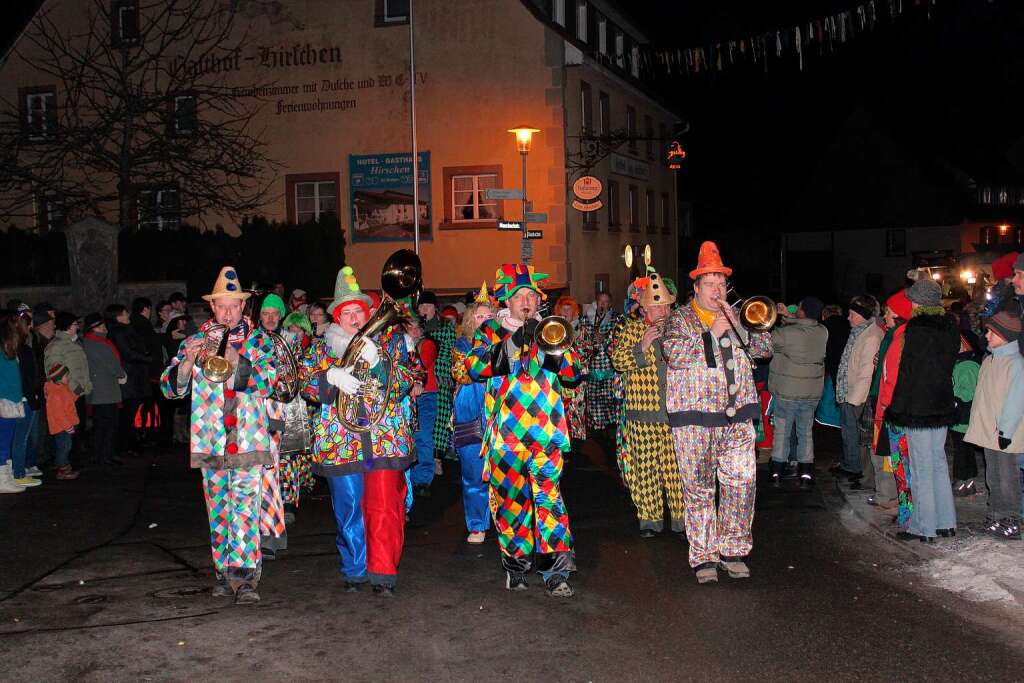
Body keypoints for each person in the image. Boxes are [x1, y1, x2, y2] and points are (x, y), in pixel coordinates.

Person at [160, 266, 278, 604]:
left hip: (248, 439)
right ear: (212, 308)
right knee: (219, 512)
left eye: (233, 306)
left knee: (244, 509)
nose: (227, 313)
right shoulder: (194, 341)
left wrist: (234, 356)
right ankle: (224, 574)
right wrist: (186, 365)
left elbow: (270, 384)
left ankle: (245, 580)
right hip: (210, 439)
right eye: (221, 307)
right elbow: (170, 390)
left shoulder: (260, 341)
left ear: (243, 307)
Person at [466, 263, 582, 597]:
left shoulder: (550, 330)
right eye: (520, 296)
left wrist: (550, 346)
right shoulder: (490, 330)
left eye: (531, 295)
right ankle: (516, 569)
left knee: (549, 503)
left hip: (546, 435)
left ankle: (556, 573)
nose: (526, 301)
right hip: (506, 437)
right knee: (512, 504)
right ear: (508, 301)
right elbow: (474, 368)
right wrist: (515, 341)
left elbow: (573, 375)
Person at [301, 265, 416, 597]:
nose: (353, 319)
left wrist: (380, 363)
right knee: (348, 508)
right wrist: (329, 379)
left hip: (384, 442)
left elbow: (407, 381)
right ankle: (355, 570)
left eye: (358, 312)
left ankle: (383, 573)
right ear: (337, 318)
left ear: (368, 315)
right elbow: (304, 385)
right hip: (341, 444)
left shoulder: (391, 342)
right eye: (346, 313)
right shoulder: (322, 348)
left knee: (385, 509)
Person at [663, 241, 772, 584]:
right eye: (710, 284)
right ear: (695, 288)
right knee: (698, 489)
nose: (717, 290)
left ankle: (734, 550)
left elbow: (765, 349)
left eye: (721, 283)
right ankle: (704, 556)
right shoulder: (679, 318)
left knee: (742, 484)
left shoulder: (738, 315)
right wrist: (710, 335)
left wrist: (741, 328)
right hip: (693, 417)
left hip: (738, 414)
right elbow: (675, 355)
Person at [610, 268, 686, 537]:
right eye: (656, 308)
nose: (662, 313)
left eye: (665, 307)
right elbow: (617, 362)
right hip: (642, 415)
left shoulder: (680, 330)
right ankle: (650, 520)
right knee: (645, 470)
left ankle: (681, 519)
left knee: (676, 469)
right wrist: (641, 347)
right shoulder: (631, 330)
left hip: (675, 414)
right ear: (644, 309)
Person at [884, 279, 959, 542]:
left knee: (920, 466)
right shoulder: (950, 327)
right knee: (938, 462)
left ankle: (923, 527)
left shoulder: (915, 330)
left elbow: (908, 374)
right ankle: (945, 521)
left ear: (920, 302)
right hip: (941, 402)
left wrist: (897, 408)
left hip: (918, 406)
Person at [965, 311, 1024, 539]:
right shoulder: (990, 360)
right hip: (989, 431)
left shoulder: (1015, 364)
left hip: (1005, 432)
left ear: (1005, 336)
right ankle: (995, 513)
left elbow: (1016, 400)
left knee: (1007, 477)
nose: (986, 336)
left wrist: (1006, 431)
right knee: (993, 475)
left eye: (991, 332)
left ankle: (1010, 517)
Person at [767, 296, 828, 489]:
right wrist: (789, 315)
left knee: (782, 432)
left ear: (801, 311)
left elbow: (766, 342)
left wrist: (779, 316)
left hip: (787, 392)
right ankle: (806, 473)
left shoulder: (786, 334)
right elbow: (805, 324)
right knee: (805, 433)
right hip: (812, 393)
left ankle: (776, 472)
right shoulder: (822, 331)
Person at [451, 288, 494, 544]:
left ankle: (505, 520)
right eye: (480, 317)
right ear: (470, 320)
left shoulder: (505, 342)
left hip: (501, 412)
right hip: (471, 411)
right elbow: (462, 374)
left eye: (490, 316)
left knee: (504, 472)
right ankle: (477, 524)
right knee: (474, 472)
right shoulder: (462, 345)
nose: (486, 320)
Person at [833, 295, 884, 486]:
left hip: (857, 395)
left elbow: (866, 371)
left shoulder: (871, 336)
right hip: (850, 391)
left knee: (855, 435)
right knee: (849, 433)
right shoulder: (859, 332)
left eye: (852, 314)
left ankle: (855, 469)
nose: (848, 317)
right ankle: (851, 466)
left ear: (862, 315)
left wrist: (854, 399)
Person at [256, 294, 289, 560]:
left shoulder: (286, 341)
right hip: (248, 415)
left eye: (274, 314)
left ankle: (271, 535)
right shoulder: (252, 340)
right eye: (265, 313)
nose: (269, 318)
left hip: (274, 414)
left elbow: (291, 383)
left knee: (268, 474)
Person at [43, 312, 89, 480]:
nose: (78, 326)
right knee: (66, 435)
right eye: (76, 323)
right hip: (68, 394)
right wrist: (74, 388)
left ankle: (71, 462)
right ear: (69, 326)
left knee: (76, 430)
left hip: (75, 394)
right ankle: (65, 464)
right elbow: (53, 370)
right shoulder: (57, 346)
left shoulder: (72, 343)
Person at [418, 290, 457, 476]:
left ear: (435, 308)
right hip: (421, 381)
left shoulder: (446, 326)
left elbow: (448, 352)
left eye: (428, 305)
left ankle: (437, 459)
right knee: (423, 422)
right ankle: (424, 459)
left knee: (440, 420)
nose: (424, 308)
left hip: (440, 378)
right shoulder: (416, 327)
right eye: (421, 305)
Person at [578, 290, 622, 452]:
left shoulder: (616, 319)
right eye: (600, 301)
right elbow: (581, 339)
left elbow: (619, 341)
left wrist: (605, 340)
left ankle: (610, 433)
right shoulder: (586, 319)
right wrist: (591, 341)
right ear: (596, 302)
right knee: (594, 399)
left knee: (608, 399)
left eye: (606, 302)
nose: (603, 305)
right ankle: (596, 433)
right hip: (593, 365)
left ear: (610, 304)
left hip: (608, 366)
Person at [81, 313, 126, 468]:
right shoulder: (101, 344)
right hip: (106, 391)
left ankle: (100, 454)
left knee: (100, 426)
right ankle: (105, 455)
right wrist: (121, 374)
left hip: (97, 391)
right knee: (108, 425)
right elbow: (113, 365)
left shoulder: (86, 343)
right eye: (101, 326)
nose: (105, 328)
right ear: (94, 328)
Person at [106, 303, 151, 457]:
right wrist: (147, 358)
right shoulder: (119, 332)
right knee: (127, 413)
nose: (128, 316)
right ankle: (125, 445)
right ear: (118, 316)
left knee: (129, 412)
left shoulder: (122, 331)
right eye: (125, 314)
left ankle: (127, 444)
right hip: (130, 378)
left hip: (132, 377)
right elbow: (128, 353)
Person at [0, 313, 34, 492]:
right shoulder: (4, 351)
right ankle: (2, 480)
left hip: (12, 400)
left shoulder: (9, 351)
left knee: (7, 440)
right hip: (6, 401)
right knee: (3, 443)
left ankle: (7, 477)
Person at [406, 313, 439, 497]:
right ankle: (411, 478)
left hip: (425, 396)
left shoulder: (427, 344)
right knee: (410, 437)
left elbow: (422, 364)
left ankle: (423, 479)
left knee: (423, 436)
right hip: (407, 397)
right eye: (410, 327)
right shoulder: (402, 345)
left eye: (418, 327)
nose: (415, 331)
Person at [12, 310, 43, 482]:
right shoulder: (22, 350)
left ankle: (19, 470)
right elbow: (29, 377)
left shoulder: (20, 349)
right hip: (24, 399)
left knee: (20, 437)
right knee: (21, 438)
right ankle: (19, 472)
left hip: (22, 398)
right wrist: (33, 398)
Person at [949, 335, 981, 497]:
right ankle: (968, 481)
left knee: (962, 451)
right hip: (960, 417)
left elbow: (968, 393)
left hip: (962, 418)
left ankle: (961, 480)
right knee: (965, 451)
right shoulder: (960, 364)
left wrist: (952, 395)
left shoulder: (967, 366)